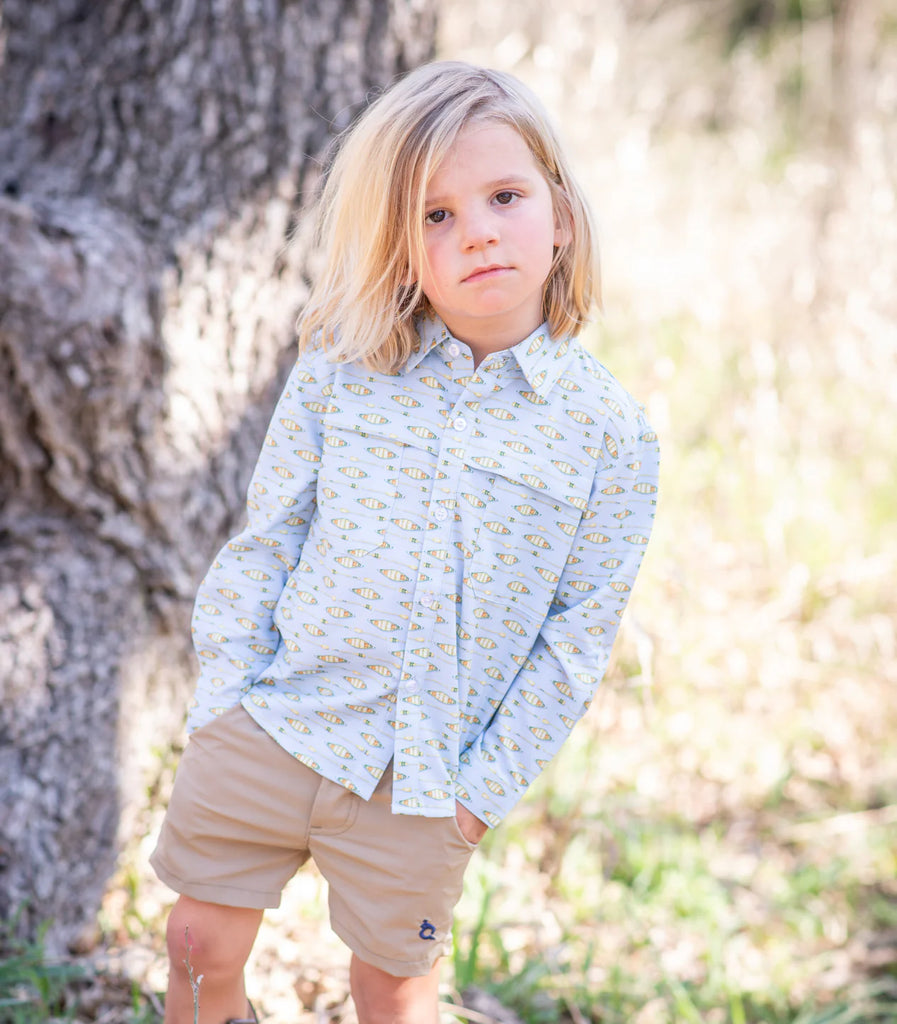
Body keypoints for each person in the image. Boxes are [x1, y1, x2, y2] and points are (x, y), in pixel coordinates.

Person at [150, 60, 660, 1024]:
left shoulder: (611, 436)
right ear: (398, 244)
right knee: (195, 945)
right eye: (435, 215)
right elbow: (268, 540)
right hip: (277, 716)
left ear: (560, 214)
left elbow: (574, 639)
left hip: (428, 777)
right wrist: (223, 700)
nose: (476, 231)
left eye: (504, 197)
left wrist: (477, 796)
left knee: (393, 988)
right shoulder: (342, 368)